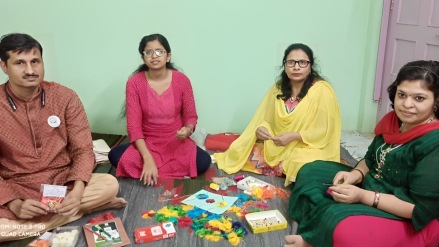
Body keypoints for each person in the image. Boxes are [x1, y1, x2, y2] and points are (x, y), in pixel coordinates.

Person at [284, 60, 439, 247]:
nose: (407, 104)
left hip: (405, 213)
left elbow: (419, 209)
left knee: (343, 227)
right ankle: (324, 229)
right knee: (312, 170)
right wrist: (355, 174)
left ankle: (317, 238)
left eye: (419, 98)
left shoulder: (434, 142)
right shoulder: (394, 121)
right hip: (372, 185)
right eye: (402, 94)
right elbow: (370, 159)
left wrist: (363, 196)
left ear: (436, 102)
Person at [0, 33, 127, 242]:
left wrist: (77, 192)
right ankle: (77, 213)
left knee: (109, 184)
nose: (30, 70)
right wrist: (14, 203)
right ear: (4, 66)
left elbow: (83, 149)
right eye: (20, 63)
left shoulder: (65, 96)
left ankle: (59, 214)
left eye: (35, 61)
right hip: (16, 186)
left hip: (62, 183)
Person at [213, 43, 341, 186]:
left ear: (311, 66)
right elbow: (266, 119)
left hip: (308, 146)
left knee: (300, 163)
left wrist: (294, 136)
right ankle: (281, 168)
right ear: (284, 66)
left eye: (303, 63)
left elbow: (324, 131)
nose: (296, 67)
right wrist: (262, 129)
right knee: (239, 151)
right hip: (277, 145)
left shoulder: (322, 90)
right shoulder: (277, 89)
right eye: (291, 62)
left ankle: (283, 168)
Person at [108, 34, 211, 186]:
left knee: (203, 162)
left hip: (175, 143)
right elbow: (134, 128)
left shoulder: (182, 80)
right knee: (115, 156)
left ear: (168, 56)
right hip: (146, 143)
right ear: (143, 58)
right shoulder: (134, 83)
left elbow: (191, 116)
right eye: (148, 52)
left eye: (159, 51)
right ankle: (152, 168)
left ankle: (152, 171)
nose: (154, 56)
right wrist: (148, 159)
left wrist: (187, 130)